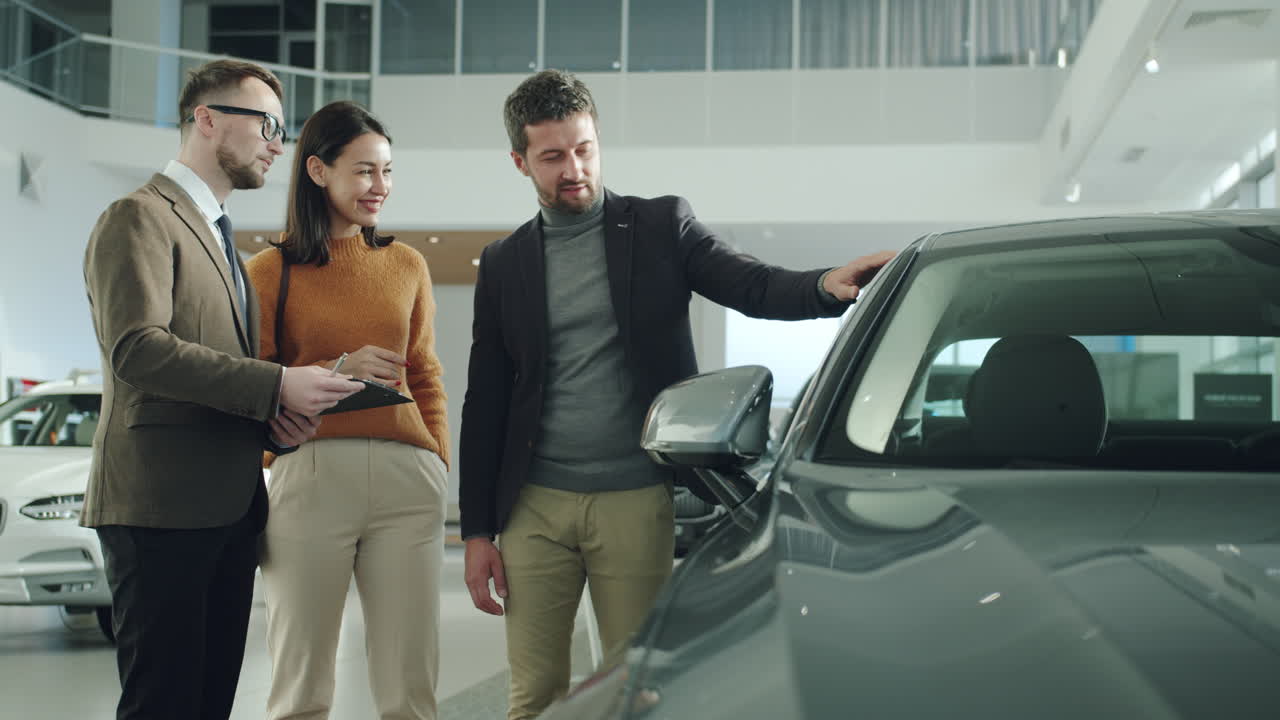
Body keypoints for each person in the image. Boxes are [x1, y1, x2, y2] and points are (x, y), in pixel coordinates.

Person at [459, 68, 897, 720]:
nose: (573, 167)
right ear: (520, 162)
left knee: (636, 688)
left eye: (584, 149)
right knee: (535, 693)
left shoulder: (662, 225)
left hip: (634, 497)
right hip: (534, 508)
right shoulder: (504, 263)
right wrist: (476, 531)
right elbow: (486, 398)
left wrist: (823, 285)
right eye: (552, 156)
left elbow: (749, 283)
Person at [81, 60, 364, 720]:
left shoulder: (227, 247)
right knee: (165, 704)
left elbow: (216, 379)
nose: (277, 143)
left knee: (207, 705)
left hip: (227, 512)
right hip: (158, 510)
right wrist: (276, 384)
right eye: (266, 123)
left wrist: (275, 421)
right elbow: (136, 351)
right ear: (207, 120)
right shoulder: (138, 217)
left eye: (282, 129)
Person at [245, 100, 451, 720]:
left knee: (409, 691)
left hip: (407, 479)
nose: (379, 187)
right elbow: (252, 381)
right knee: (300, 687)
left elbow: (426, 373)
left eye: (387, 172)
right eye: (364, 171)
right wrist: (338, 370)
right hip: (309, 477)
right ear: (317, 170)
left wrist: (438, 458)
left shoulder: (407, 264)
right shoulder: (268, 271)